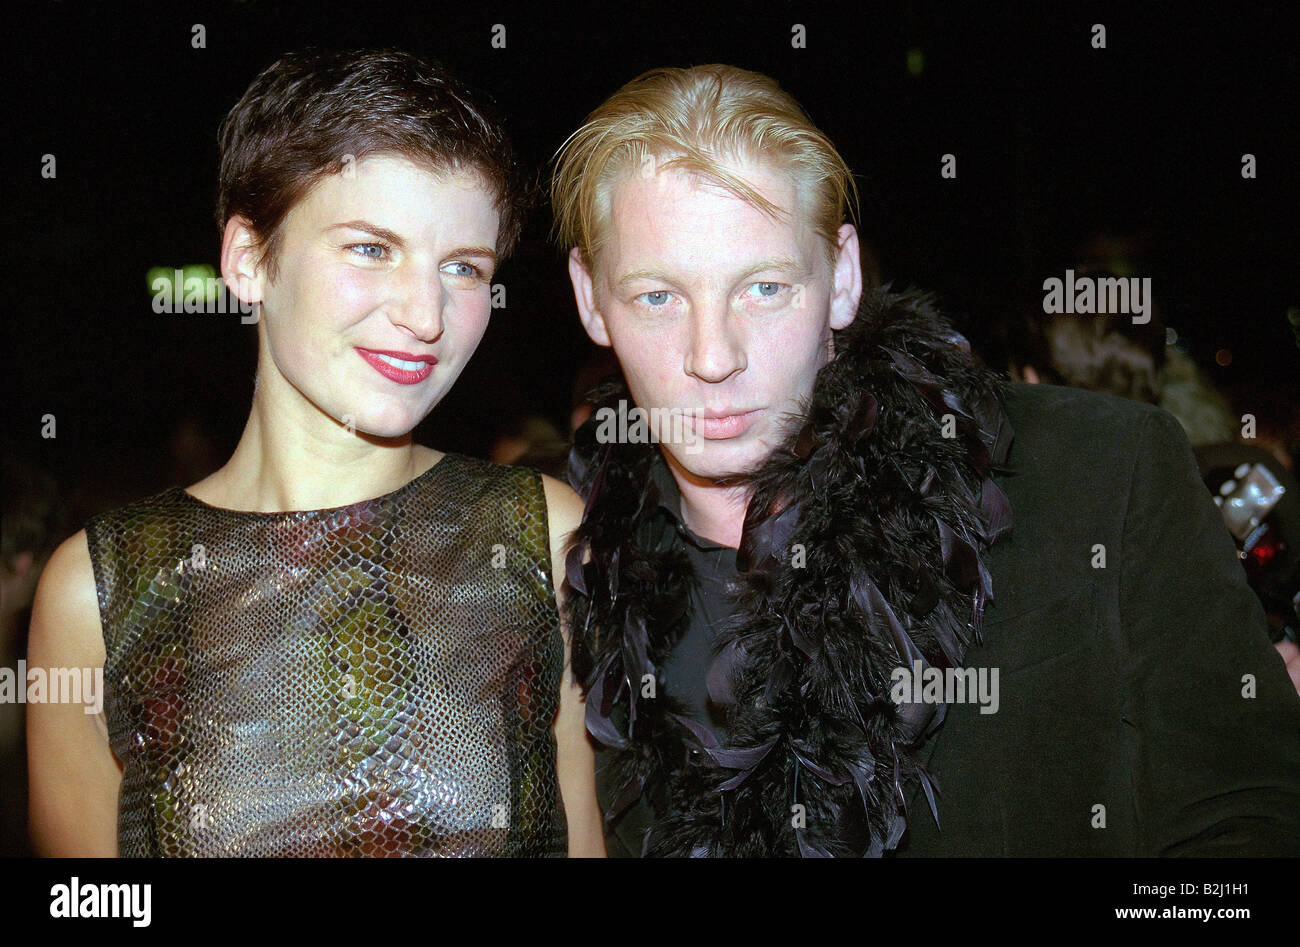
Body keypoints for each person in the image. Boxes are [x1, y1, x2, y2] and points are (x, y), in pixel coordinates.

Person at [549, 64, 1300, 856]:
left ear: (842, 278)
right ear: (591, 299)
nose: (712, 356)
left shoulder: (1099, 468)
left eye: (763, 288)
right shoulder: (560, 569)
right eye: (657, 297)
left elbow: (1251, 831)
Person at [27, 48, 603, 857]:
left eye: (463, 268)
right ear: (247, 260)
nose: (425, 313)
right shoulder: (98, 592)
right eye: (371, 248)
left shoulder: (543, 537)